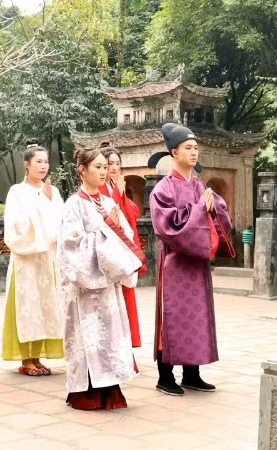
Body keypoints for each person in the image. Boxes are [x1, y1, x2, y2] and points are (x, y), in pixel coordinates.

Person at [149, 123, 234, 396]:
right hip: (175, 262)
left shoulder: (200, 185)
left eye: (196, 148)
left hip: (196, 263)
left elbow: (221, 217)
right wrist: (200, 209)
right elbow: (166, 225)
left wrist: (213, 206)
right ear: (174, 152)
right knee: (172, 316)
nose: (194, 152)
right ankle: (165, 376)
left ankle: (192, 372)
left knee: (197, 315)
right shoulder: (163, 188)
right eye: (188, 148)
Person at [57, 146, 145, 410]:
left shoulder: (109, 203)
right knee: (87, 338)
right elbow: (70, 246)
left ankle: (111, 389)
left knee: (109, 336)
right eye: (97, 167)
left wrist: (113, 228)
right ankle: (86, 393)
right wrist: (106, 228)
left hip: (107, 286)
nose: (104, 171)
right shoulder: (74, 205)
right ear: (82, 170)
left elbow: (126, 239)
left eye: (105, 167)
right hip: (84, 289)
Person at [2, 139, 64, 376]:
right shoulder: (16, 192)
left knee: (45, 306)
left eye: (46, 162)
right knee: (27, 306)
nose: (43, 166)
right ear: (26, 164)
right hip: (26, 259)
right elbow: (17, 224)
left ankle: (38, 357)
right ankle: (26, 358)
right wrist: (43, 207)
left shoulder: (54, 192)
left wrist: (47, 204)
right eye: (38, 162)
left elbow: (61, 222)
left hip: (47, 257)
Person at [98, 142, 144, 349]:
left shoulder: (117, 186)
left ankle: (125, 346)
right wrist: (118, 193)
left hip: (123, 250)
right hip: (109, 252)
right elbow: (108, 216)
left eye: (117, 163)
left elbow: (130, 215)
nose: (114, 168)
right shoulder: (99, 188)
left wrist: (121, 193)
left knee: (126, 300)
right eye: (109, 164)